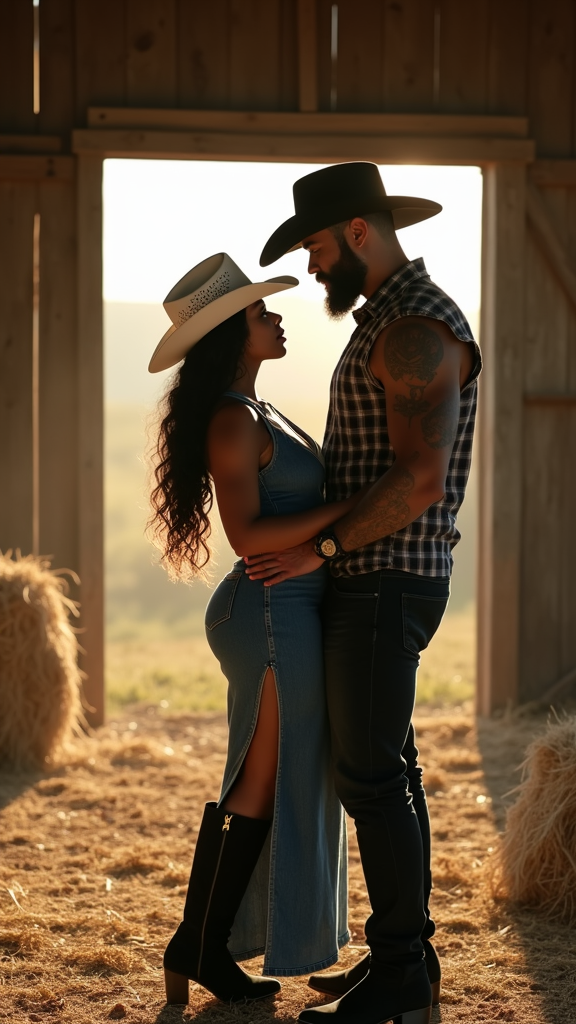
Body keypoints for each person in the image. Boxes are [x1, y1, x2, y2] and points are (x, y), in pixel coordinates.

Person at [250, 162, 482, 1024]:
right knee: (391, 771)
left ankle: (400, 978)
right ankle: (406, 957)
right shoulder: (390, 317)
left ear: (357, 233)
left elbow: (420, 478)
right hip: (377, 575)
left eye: (315, 247)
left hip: (386, 578)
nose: (312, 267)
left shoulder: (415, 325)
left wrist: (324, 547)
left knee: (371, 777)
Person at [147, 253, 358, 1007]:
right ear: (232, 334)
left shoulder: (255, 409)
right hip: (269, 611)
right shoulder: (234, 420)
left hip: (285, 608)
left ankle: (198, 943)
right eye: (261, 312)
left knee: (265, 781)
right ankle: (198, 944)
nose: (276, 317)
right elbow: (247, 537)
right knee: (260, 781)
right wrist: (352, 509)